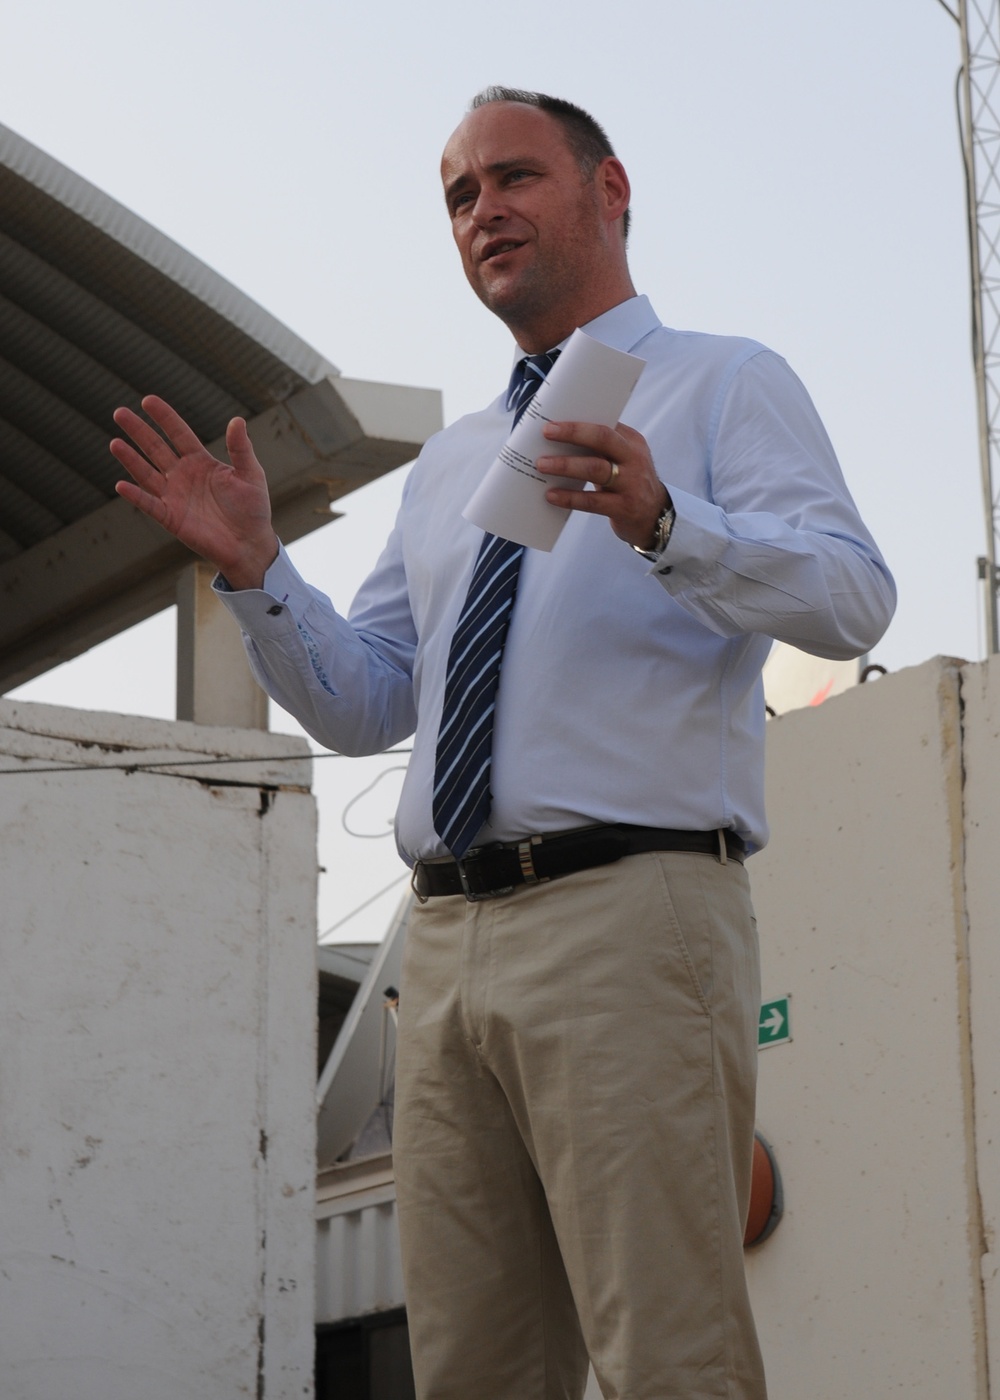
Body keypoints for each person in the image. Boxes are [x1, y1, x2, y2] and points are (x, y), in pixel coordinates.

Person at [110, 87, 895, 1400]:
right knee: (472, 1372)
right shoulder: (460, 463)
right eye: (460, 196)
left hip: (630, 916)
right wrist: (259, 574)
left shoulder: (720, 382)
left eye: (515, 177)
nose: (485, 212)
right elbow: (372, 701)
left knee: (669, 1356)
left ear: (610, 190)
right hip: (451, 951)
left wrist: (664, 520)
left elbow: (852, 594)